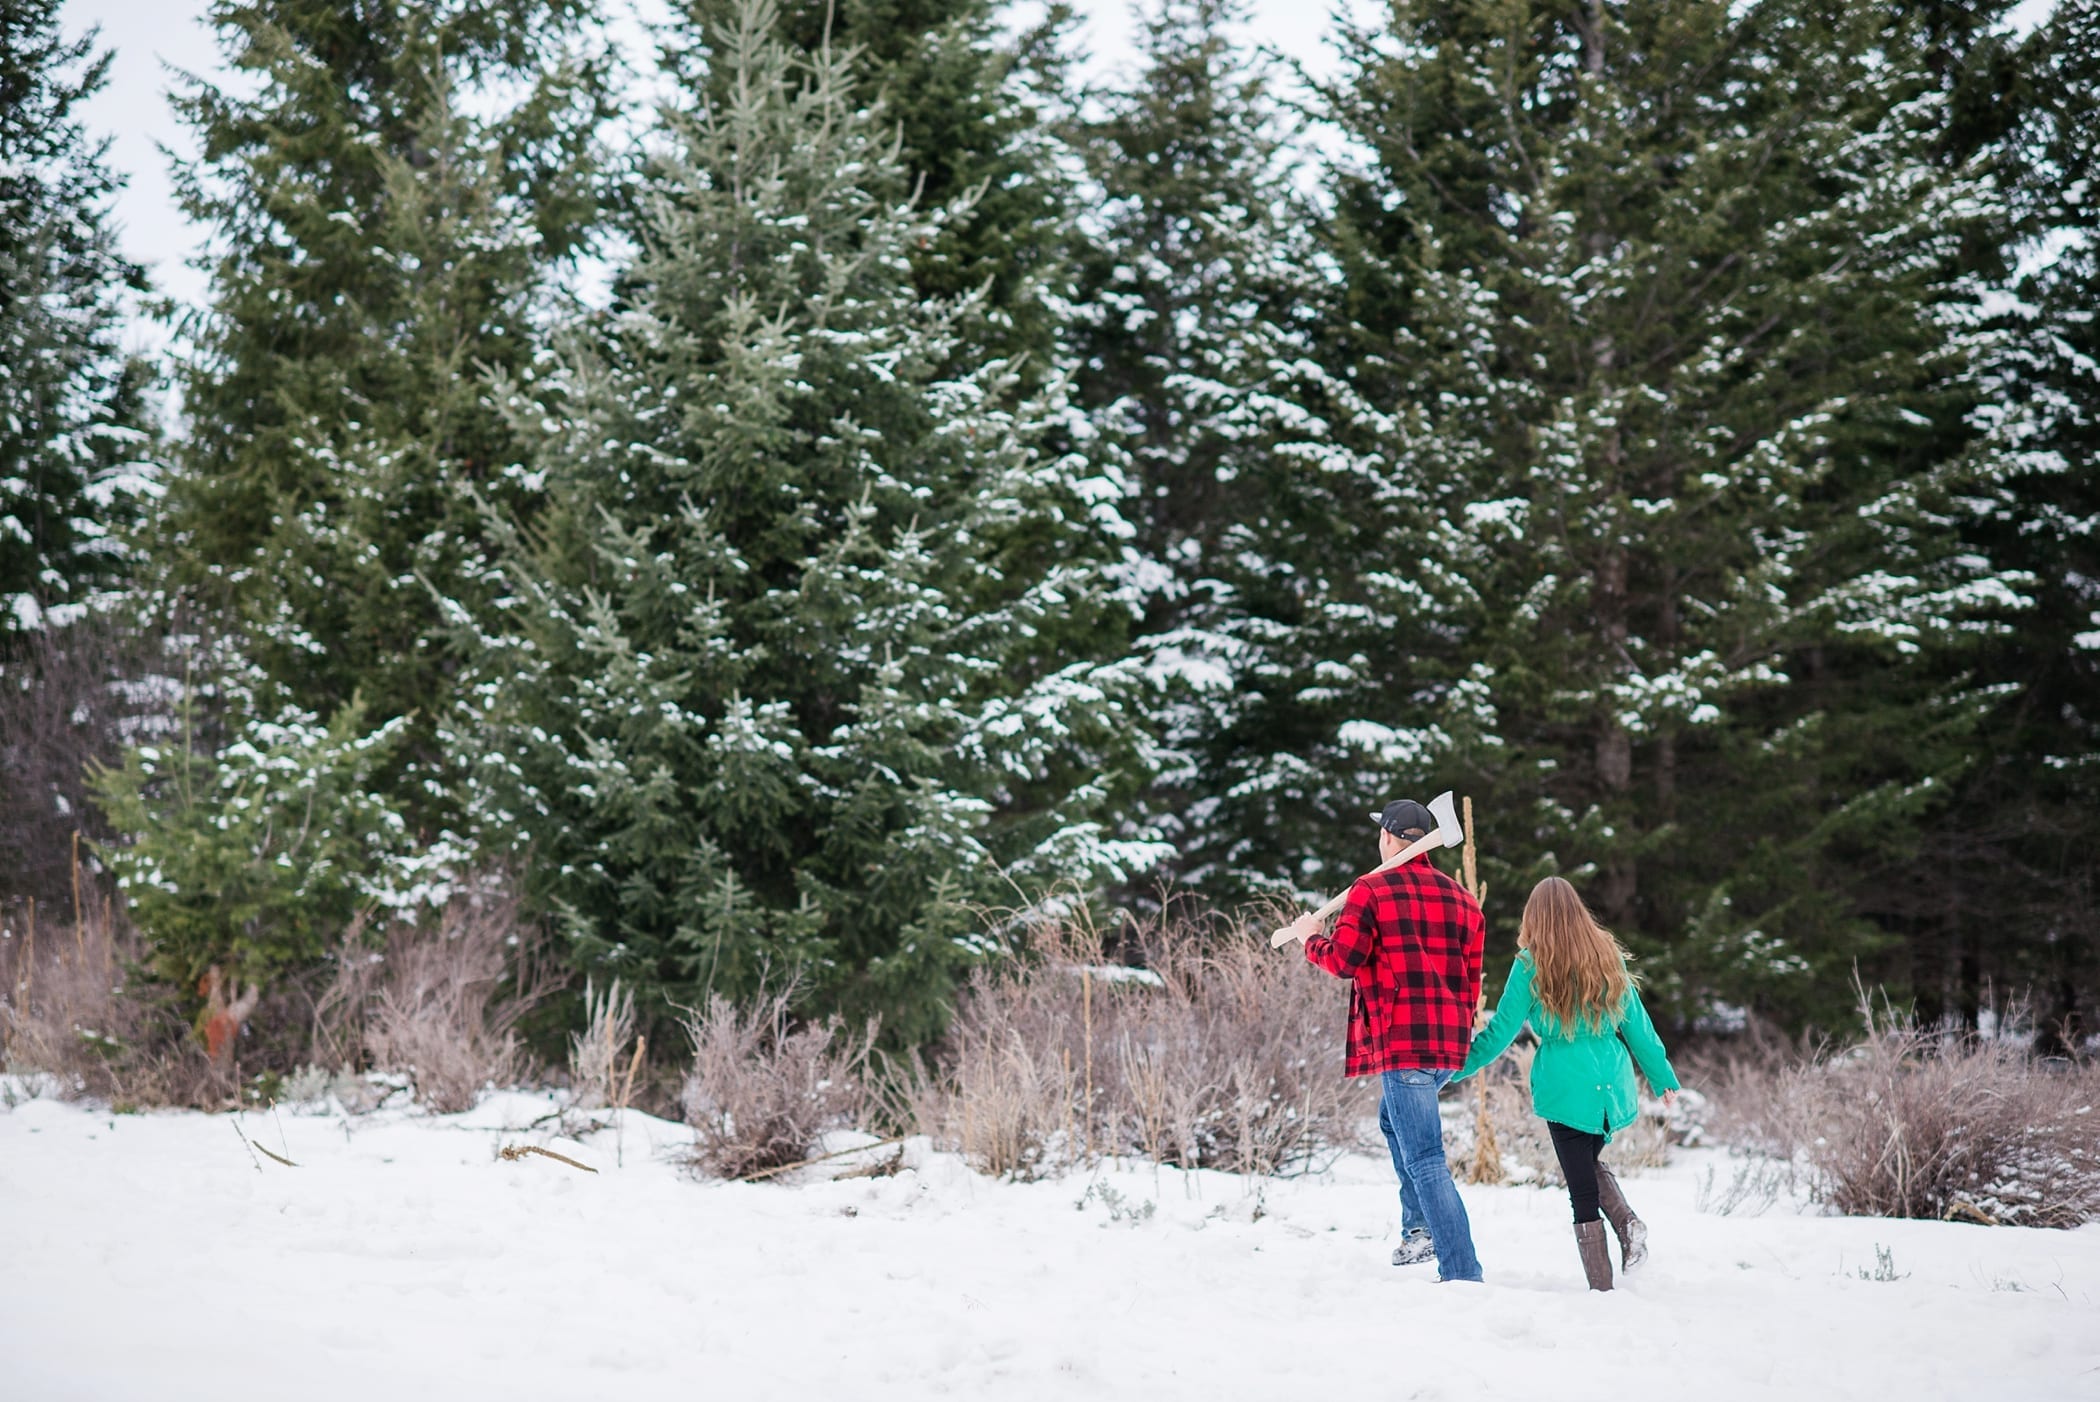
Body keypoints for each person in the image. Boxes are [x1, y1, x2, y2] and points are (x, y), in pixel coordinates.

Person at [1279, 798, 1486, 1283]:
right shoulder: (1463, 899)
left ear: (1389, 838)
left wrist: (1311, 936)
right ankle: (1419, 1230)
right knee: (1394, 1122)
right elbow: (1471, 980)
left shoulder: (1369, 891)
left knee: (1426, 1157)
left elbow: (1344, 961)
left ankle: (1460, 1271)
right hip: (1447, 1046)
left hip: (1403, 1042)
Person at [1452, 876, 1681, 1292]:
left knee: (1580, 1187)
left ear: (1533, 917)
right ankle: (1628, 1228)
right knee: (1586, 1166)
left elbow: (1502, 1030)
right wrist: (1662, 1075)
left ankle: (1603, 1288)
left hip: (1565, 1086)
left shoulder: (1530, 964)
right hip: (1611, 1081)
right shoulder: (1606, 953)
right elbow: (1637, 1025)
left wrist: (1456, 1066)